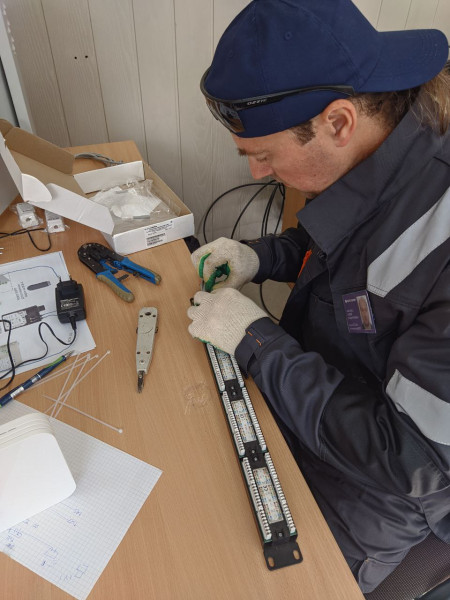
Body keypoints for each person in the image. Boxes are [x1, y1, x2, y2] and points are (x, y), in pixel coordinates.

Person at [186, 0, 450, 593]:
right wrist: (262, 257)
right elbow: (338, 245)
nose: (256, 172)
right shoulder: (381, 152)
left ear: (337, 123)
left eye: (263, 154)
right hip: (314, 395)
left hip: (379, 492)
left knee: (226, 572)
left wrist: (259, 344)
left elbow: (415, 461)